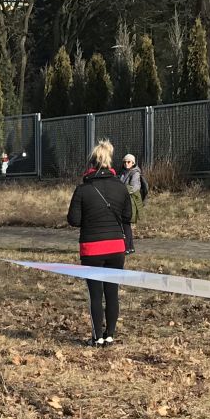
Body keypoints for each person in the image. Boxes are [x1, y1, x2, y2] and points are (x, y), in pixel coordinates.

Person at [67, 139, 132, 347]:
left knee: (95, 295)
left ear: (92, 163)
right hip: (116, 247)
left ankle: (97, 337)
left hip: (92, 248)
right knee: (112, 292)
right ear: (110, 161)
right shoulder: (121, 187)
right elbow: (128, 216)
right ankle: (110, 334)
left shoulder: (82, 189)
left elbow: (73, 220)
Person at [119, 153, 143, 254]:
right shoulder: (123, 172)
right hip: (124, 200)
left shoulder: (135, 173)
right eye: (124, 162)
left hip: (130, 202)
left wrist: (120, 189)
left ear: (133, 163)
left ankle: (127, 247)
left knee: (126, 224)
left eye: (128, 162)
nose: (126, 164)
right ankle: (130, 247)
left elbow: (134, 188)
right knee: (125, 224)